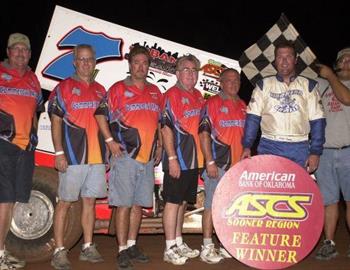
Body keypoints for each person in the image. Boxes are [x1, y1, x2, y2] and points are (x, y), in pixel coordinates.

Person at [95, 45, 163, 270]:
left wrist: (160, 145)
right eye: (137, 62)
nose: (141, 67)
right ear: (130, 64)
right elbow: (100, 115)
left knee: (138, 206)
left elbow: (160, 123)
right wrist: (109, 141)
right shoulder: (117, 89)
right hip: (125, 156)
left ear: (148, 66)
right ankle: (122, 249)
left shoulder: (155, 92)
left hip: (148, 159)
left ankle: (132, 245)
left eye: (145, 63)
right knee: (123, 205)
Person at [49, 44, 107, 270]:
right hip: (73, 157)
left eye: (90, 59)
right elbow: (55, 121)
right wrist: (58, 152)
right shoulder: (63, 88)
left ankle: (88, 246)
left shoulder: (101, 89)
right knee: (65, 203)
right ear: (75, 62)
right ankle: (59, 251)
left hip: (96, 157)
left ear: (94, 62)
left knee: (90, 202)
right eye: (81, 59)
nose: (86, 63)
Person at [241, 40, 326, 173]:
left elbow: (318, 122)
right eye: (280, 57)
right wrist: (247, 146)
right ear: (274, 61)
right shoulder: (263, 85)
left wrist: (315, 152)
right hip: (269, 144)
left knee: (297, 191)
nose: (284, 61)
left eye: (289, 57)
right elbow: (253, 119)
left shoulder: (308, 86)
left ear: (296, 60)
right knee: (269, 190)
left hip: (299, 147)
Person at [0, 33, 44, 269]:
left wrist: (34, 138)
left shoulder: (32, 78)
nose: (20, 53)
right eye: (15, 49)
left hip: (25, 148)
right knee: (3, 201)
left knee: (14, 200)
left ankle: (2, 251)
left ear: (29, 54)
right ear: (8, 51)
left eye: (24, 50)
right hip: (3, 145)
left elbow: (35, 110)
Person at [198, 68, 246, 264]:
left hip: (237, 166)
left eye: (236, 81)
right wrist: (209, 161)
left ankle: (225, 244)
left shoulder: (243, 105)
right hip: (217, 165)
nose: (233, 84)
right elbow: (203, 134)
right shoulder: (212, 103)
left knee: (230, 207)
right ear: (221, 82)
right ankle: (207, 246)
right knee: (211, 206)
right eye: (229, 80)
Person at [161, 54, 205, 265]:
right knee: (172, 202)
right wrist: (171, 158)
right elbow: (166, 128)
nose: (190, 74)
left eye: (194, 70)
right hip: (178, 159)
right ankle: (169, 247)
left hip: (193, 160)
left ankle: (178, 241)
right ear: (177, 74)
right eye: (186, 70)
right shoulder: (171, 95)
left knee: (181, 203)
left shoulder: (198, 96)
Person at [314, 47, 350, 260]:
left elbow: (346, 99)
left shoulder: (331, 81)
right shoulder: (322, 85)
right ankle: (329, 242)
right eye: (343, 59)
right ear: (336, 63)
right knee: (329, 201)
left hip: (349, 151)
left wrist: (329, 76)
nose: (346, 62)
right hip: (325, 152)